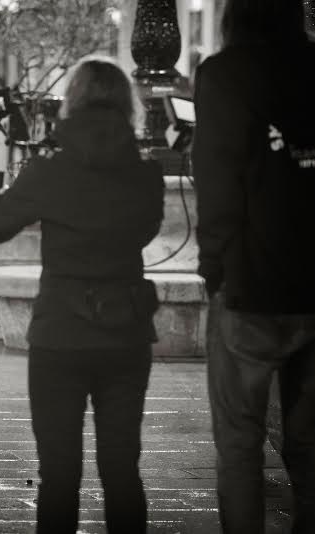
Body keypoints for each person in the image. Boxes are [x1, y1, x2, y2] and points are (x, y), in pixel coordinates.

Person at [0, 57, 165, 534]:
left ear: (72, 103)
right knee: (123, 470)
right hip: (126, 333)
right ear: (129, 106)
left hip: (60, 334)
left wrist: (33, 185)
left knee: (59, 475)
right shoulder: (147, 175)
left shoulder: (48, 171)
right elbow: (145, 230)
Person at [192, 1, 315, 532]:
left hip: (249, 284)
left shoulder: (224, 74)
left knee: (240, 446)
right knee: (311, 446)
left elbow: (218, 182)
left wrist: (212, 270)